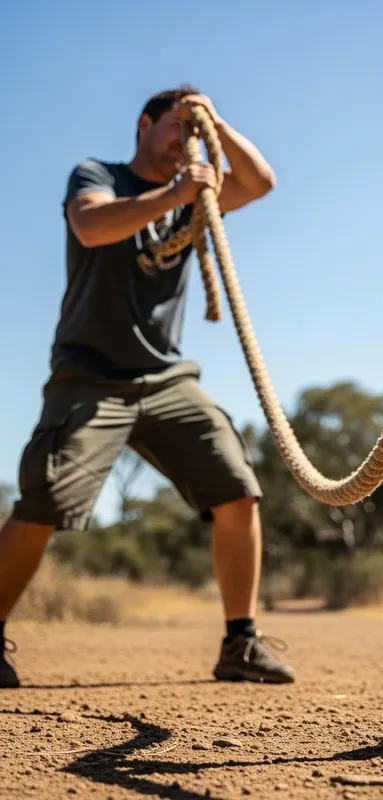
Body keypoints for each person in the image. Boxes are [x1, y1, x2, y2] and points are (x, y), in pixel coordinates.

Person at [0, 84, 295, 689]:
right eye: (178, 121)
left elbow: (261, 181)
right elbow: (90, 226)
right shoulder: (98, 174)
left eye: (195, 125)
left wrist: (214, 122)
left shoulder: (196, 193)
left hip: (164, 377)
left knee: (238, 489)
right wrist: (176, 192)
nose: (186, 134)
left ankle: (240, 642)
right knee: (44, 502)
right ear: (144, 124)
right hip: (90, 374)